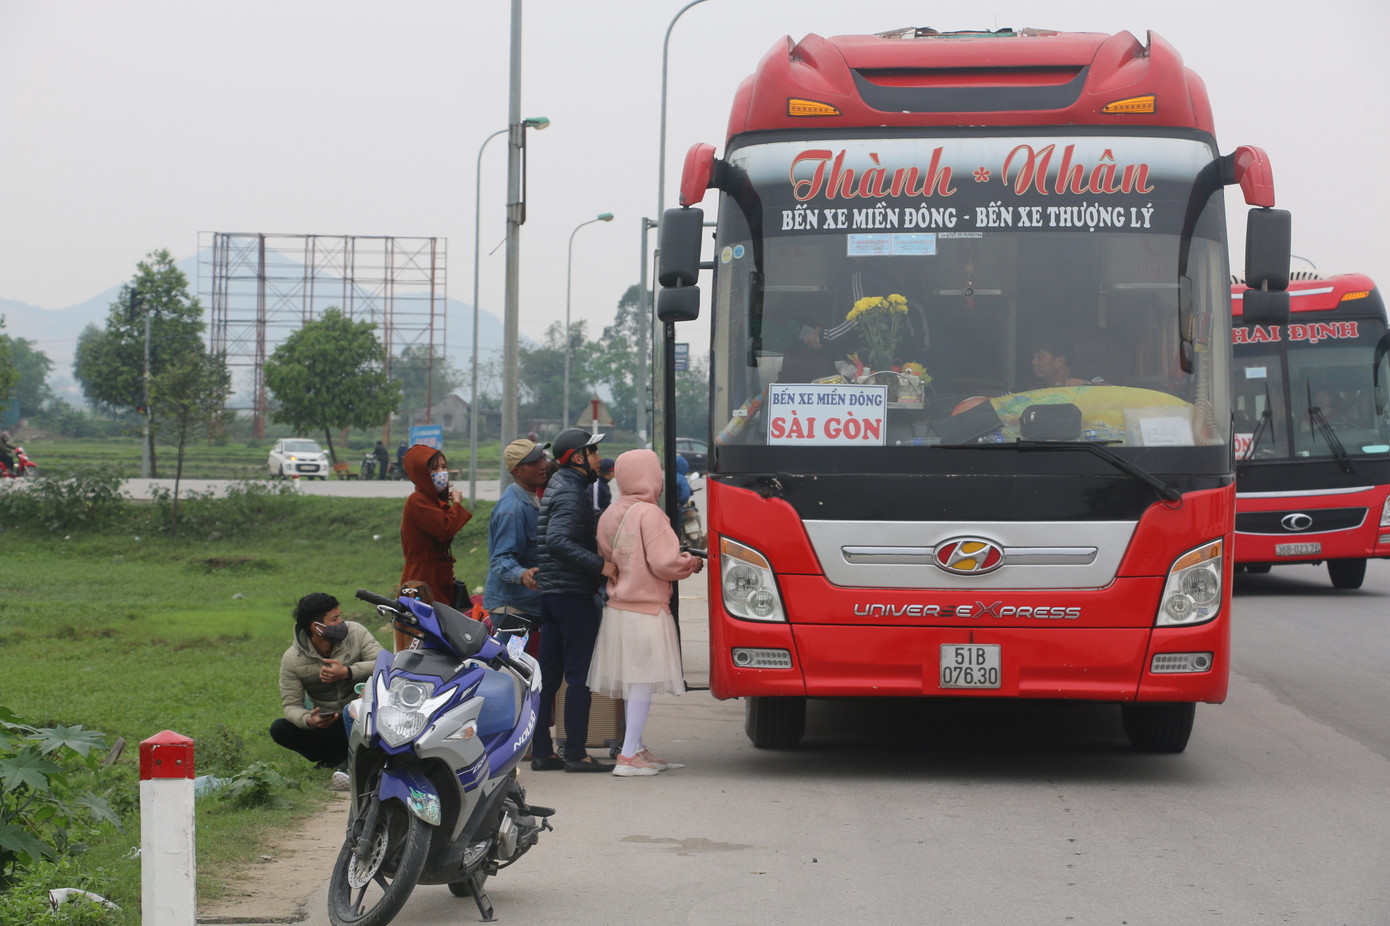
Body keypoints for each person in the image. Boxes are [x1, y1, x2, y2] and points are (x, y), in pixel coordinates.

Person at [588, 449, 704, 777]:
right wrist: (691, 562)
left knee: (632, 683)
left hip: (617, 609)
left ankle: (635, 746)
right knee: (640, 682)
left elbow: (610, 556)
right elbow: (665, 562)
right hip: (646, 610)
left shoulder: (610, 513)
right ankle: (628, 756)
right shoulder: (650, 514)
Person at [530, 427, 618, 773]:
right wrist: (600, 565)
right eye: (593, 452)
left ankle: (543, 752)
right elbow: (558, 540)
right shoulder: (571, 491)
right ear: (578, 457)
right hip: (572, 594)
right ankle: (577, 753)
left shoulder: (561, 485)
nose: (598, 458)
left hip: (553, 595)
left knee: (549, 678)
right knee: (580, 676)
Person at [270, 593, 383, 781]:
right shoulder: (292, 660)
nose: (341, 623)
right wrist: (309, 720)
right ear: (317, 627)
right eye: (335, 619)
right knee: (279, 729)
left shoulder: (356, 632)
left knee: (358, 712)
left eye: (340, 616)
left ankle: (356, 758)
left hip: (362, 715)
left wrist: (348, 672)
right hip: (331, 723)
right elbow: (291, 706)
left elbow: (383, 662)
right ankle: (336, 758)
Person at [484, 438, 550, 641]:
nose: (542, 466)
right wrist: (521, 574)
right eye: (534, 463)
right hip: (512, 609)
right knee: (511, 660)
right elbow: (500, 559)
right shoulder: (512, 510)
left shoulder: (532, 498)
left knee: (524, 661)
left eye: (542, 459)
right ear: (516, 471)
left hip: (527, 603)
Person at [399, 444, 472, 607]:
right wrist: (456, 505)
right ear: (421, 473)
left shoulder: (435, 501)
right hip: (422, 578)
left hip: (439, 575)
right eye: (434, 469)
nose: (441, 472)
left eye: (444, 467)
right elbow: (445, 529)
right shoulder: (417, 500)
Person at [1031, 337, 1102, 388]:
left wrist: (1086, 385)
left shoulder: (1084, 376)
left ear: (1060, 361)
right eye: (1034, 357)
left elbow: (1107, 389)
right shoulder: (1033, 386)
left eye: (1040, 357)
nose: (1033, 362)